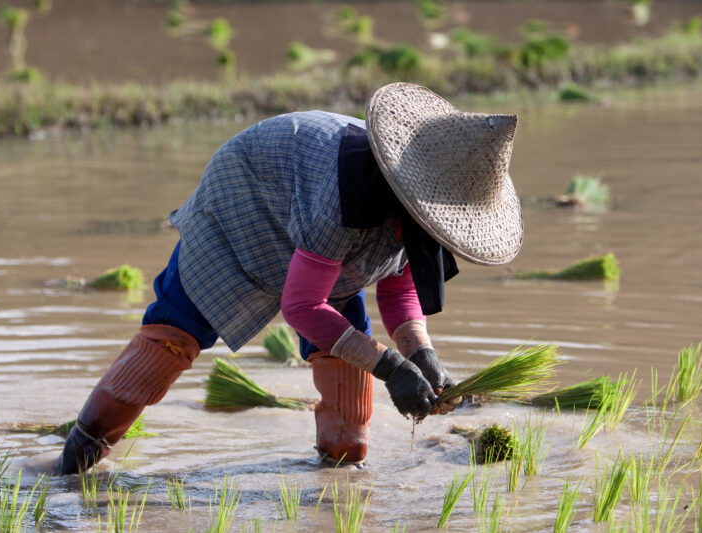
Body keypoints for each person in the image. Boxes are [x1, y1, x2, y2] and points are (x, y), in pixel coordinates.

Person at [55, 82, 523, 475]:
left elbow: (399, 284)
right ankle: (77, 460)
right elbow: (302, 306)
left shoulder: (437, 209)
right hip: (247, 205)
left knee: (347, 384)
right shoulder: (348, 195)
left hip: (325, 245)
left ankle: (337, 480)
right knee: (173, 338)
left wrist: (421, 353)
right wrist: (390, 367)